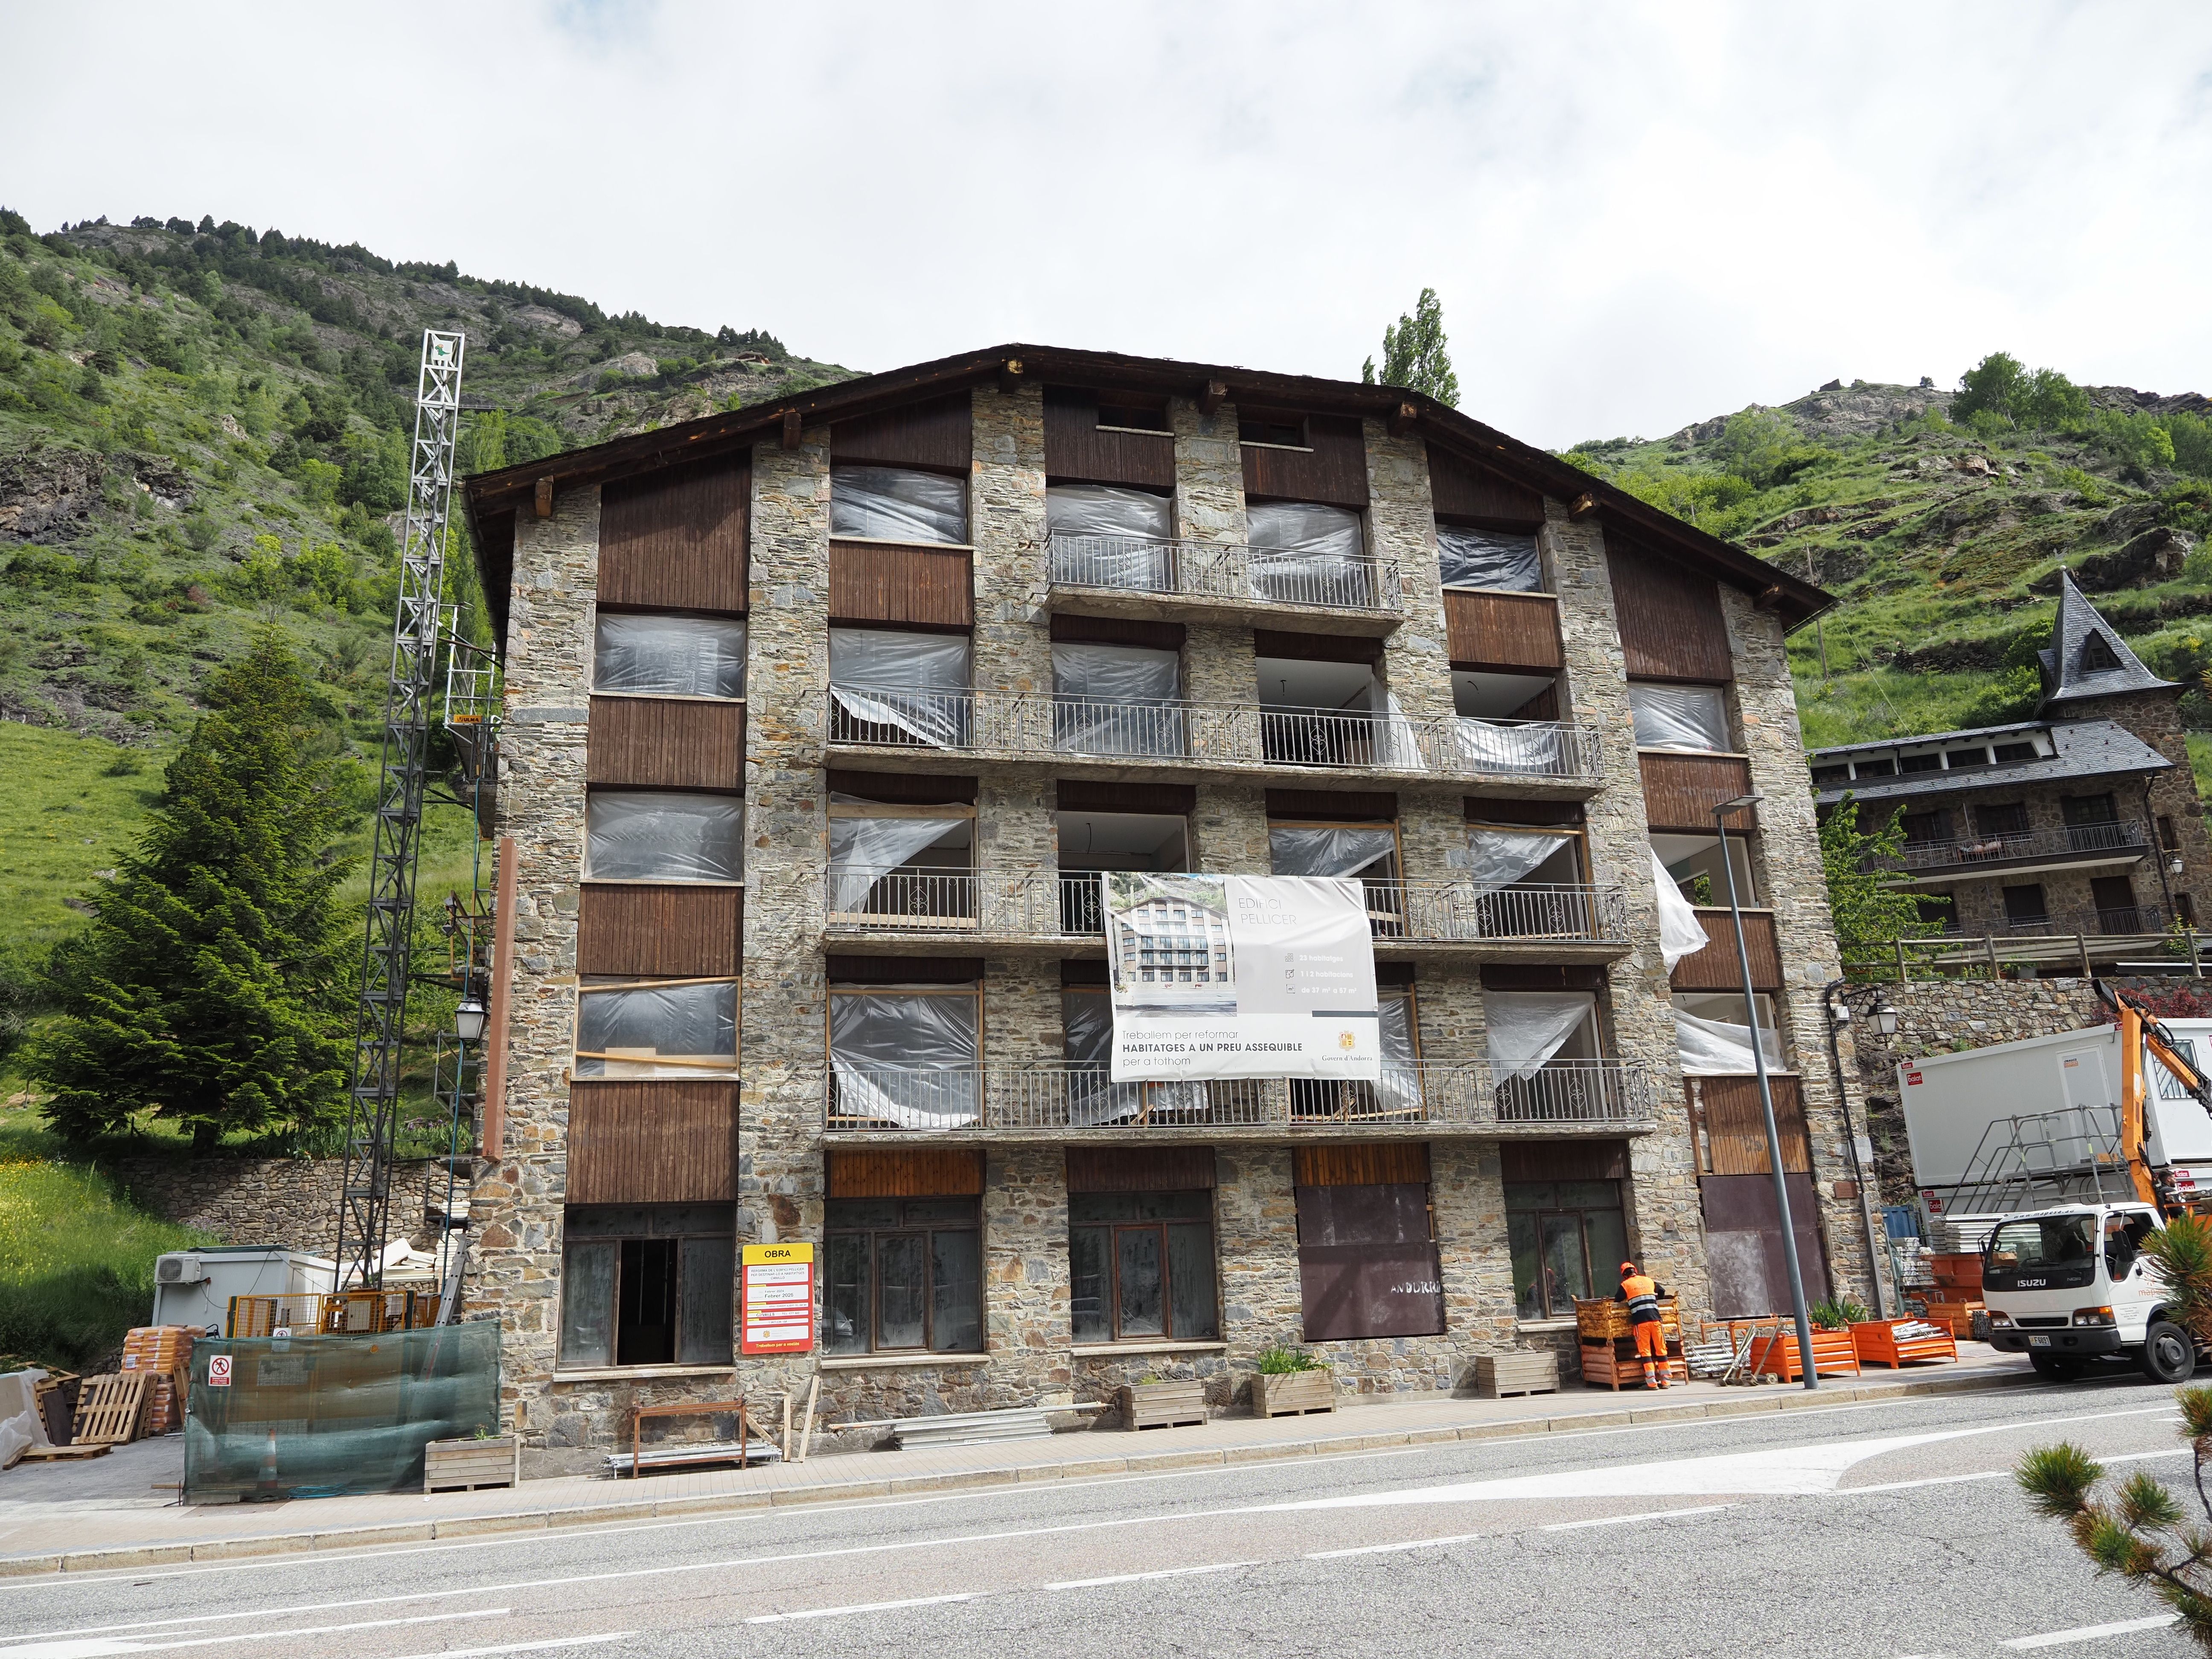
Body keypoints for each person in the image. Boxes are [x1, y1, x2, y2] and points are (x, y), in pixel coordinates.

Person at [1615, 1260, 1671, 1388]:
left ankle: (1651, 1383)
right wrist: (1656, 1301)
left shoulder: (1626, 1284)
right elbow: (1662, 1291)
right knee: (1661, 1349)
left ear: (1624, 1275)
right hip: (1656, 1320)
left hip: (1641, 1323)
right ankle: (1666, 1380)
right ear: (1636, 1271)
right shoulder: (1649, 1281)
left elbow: (1617, 1299)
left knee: (1646, 1352)